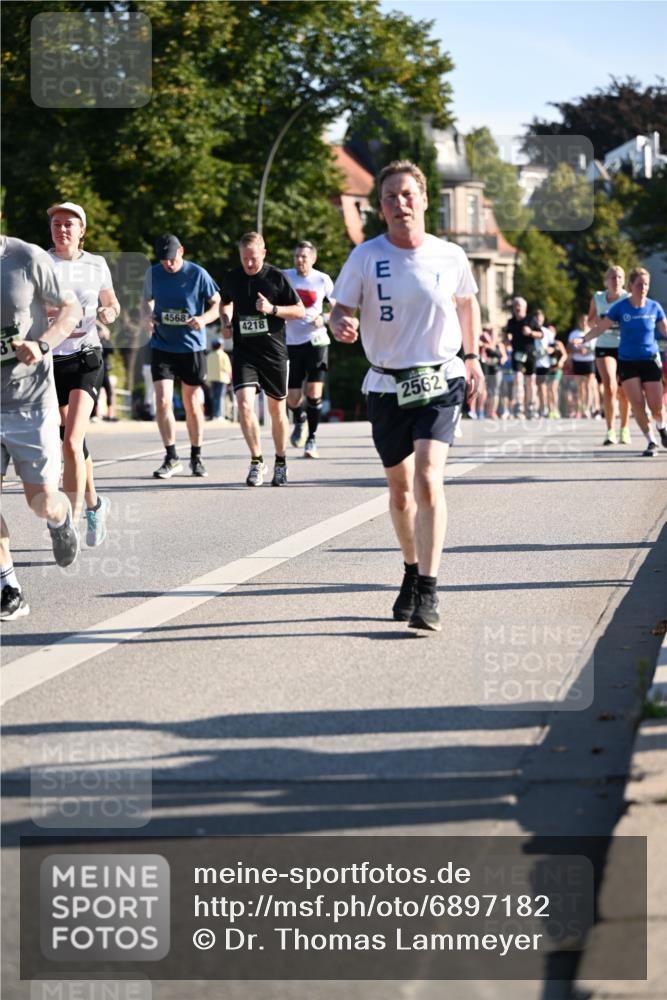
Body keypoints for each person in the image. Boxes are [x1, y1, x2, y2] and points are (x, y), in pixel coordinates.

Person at [329, 160, 484, 632]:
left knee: (429, 478)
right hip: (386, 384)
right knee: (400, 493)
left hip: (440, 379)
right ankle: (412, 571)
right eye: (391, 197)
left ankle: (430, 592)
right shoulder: (364, 257)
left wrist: (473, 356)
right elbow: (338, 310)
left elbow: (467, 301)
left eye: (408, 195)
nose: (400, 204)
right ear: (381, 209)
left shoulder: (449, 255)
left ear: (422, 200)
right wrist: (341, 325)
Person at [1, 234, 83, 620]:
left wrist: (44, 344)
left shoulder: (26, 257)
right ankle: (8, 586)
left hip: (30, 403)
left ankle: (61, 517)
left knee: (41, 503)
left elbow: (71, 308)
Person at [47, 202, 119, 545]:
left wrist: (109, 311)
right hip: (49, 361)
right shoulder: (40, 263)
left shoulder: (96, 264)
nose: (61, 230)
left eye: (68, 225)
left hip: (85, 356)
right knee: (73, 444)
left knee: (71, 442)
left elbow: (112, 301)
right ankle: (95, 504)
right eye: (56, 224)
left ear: (82, 231)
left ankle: (69, 525)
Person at [220, 232, 305, 486]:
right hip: (245, 353)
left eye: (253, 258)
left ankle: (280, 461)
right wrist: (225, 320)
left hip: (273, 354)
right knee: (244, 404)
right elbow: (224, 303)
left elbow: (299, 310)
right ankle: (257, 460)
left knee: (276, 409)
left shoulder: (277, 278)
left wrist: (272, 309)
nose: (248, 263)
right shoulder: (232, 278)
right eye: (244, 258)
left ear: (264, 253)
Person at [144, 234, 221, 479]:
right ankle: (171, 456)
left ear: (182, 252)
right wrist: (147, 315)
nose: (168, 264)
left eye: (172, 259)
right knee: (163, 400)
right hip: (162, 345)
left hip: (192, 348)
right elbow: (145, 301)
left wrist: (204, 319)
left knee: (193, 403)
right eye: (163, 260)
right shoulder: (153, 274)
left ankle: (196, 456)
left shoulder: (198, 274)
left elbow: (217, 304)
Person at [583, 267, 667, 457]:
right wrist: (583, 339)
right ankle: (651, 441)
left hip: (650, 360)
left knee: (656, 406)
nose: (643, 288)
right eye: (639, 284)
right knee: (637, 402)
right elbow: (600, 328)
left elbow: (665, 329)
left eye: (646, 284)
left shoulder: (655, 307)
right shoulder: (621, 307)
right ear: (631, 286)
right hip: (627, 360)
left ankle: (662, 427)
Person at [283, 240, 335, 458]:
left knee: (314, 393)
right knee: (293, 397)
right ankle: (299, 419)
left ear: (313, 258)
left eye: (304, 256)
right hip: (291, 343)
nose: (299, 260)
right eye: (296, 256)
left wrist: (323, 318)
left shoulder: (322, 279)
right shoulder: (285, 276)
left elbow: (339, 310)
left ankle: (312, 439)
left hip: (316, 341)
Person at [588, 265, 632, 445]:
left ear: (624, 281)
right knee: (610, 386)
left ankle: (624, 428)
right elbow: (590, 319)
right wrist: (596, 323)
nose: (616, 281)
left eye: (620, 277)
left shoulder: (628, 298)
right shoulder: (598, 298)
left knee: (624, 391)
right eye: (613, 277)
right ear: (606, 281)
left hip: (625, 347)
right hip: (605, 345)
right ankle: (610, 430)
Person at [504, 297, 542, 418]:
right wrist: (507, 339)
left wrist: (531, 332)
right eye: (515, 305)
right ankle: (519, 406)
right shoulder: (511, 322)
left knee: (530, 381)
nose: (517, 308)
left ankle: (531, 405)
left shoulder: (531, 319)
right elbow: (507, 336)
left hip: (530, 353)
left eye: (519, 305)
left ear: (524, 308)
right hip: (517, 354)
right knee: (518, 379)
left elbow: (541, 334)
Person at [567, 314, 597, 418]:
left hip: (589, 361)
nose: (584, 323)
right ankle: (580, 408)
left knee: (589, 385)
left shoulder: (593, 332)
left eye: (586, 321)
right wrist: (578, 350)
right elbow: (569, 346)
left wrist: (587, 350)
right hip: (578, 361)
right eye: (582, 321)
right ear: (580, 322)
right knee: (580, 387)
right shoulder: (574, 334)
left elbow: (597, 348)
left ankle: (587, 409)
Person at [480, 327, 506, 419]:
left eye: (494, 334)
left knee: (495, 391)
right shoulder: (485, 345)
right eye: (491, 333)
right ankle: (486, 411)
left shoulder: (500, 345)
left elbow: (504, 357)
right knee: (487, 391)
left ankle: (493, 412)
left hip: (497, 370)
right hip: (487, 370)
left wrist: (501, 360)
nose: (492, 335)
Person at [532, 309, 553, 418]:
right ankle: (534, 407)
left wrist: (550, 350)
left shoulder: (547, 332)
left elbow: (553, 346)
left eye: (541, 320)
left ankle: (543, 407)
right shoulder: (531, 331)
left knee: (543, 386)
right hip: (533, 362)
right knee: (533, 386)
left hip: (544, 363)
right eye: (537, 320)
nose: (539, 322)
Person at [206, 338, 232, 419]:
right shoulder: (224, 355)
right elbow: (228, 369)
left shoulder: (209, 355)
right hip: (222, 378)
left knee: (214, 397)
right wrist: (230, 379)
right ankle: (219, 415)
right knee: (220, 397)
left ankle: (214, 414)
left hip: (211, 379)